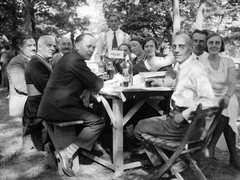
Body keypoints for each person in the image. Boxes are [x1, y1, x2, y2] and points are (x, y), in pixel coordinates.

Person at [134, 32, 215, 164]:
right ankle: (171, 160)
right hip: (178, 119)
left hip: (185, 126)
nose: (176, 50)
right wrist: (165, 83)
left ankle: (166, 163)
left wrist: (183, 115)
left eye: (181, 46)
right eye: (174, 46)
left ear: (191, 48)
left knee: (139, 126)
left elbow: (209, 100)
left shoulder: (195, 69)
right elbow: (186, 86)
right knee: (147, 120)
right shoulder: (185, 66)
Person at [38, 33, 105, 176]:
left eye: (94, 47)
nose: (92, 50)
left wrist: (88, 88)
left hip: (55, 105)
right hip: (58, 108)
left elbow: (87, 82)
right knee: (97, 122)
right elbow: (97, 83)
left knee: (97, 110)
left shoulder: (70, 58)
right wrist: (91, 85)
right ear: (78, 45)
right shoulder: (75, 60)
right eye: (89, 46)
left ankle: (87, 146)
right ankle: (68, 152)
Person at [199, 33, 240, 171]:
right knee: (221, 107)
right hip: (209, 96)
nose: (214, 46)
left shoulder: (228, 61)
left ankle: (212, 145)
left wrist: (227, 96)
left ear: (221, 45)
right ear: (206, 45)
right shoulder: (201, 61)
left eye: (217, 43)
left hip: (227, 94)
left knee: (229, 105)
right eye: (211, 43)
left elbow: (233, 84)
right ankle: (233, 155)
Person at [23, 35, 56, 151]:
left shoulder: (42, 61)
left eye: (54, 46)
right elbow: (48, 89)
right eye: (49, 45)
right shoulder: (37, 63)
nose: (53, 48)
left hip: (42, 104)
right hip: (37, 108)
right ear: (39, 47)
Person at [7, 35, 36, 117]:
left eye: (34, 45)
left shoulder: (34, 60)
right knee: (30, 128)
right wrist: (42, 92)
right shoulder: (16, 62)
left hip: (33, 104)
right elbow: (21, 86)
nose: (33, 48)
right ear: (21, 47)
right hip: (24, 104)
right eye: (29, 45)